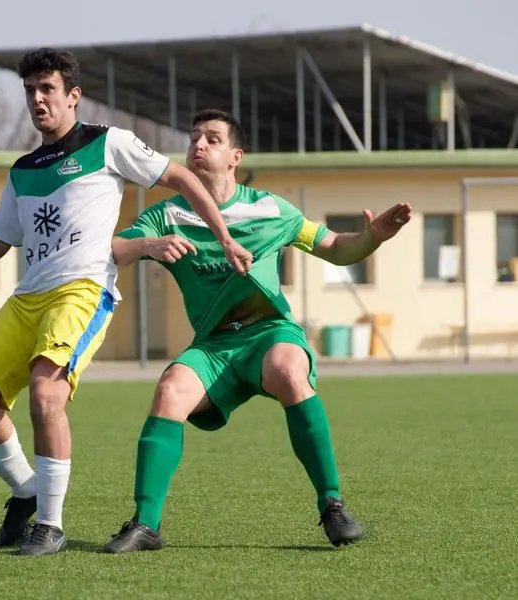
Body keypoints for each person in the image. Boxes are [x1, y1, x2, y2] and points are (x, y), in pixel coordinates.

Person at [0, 48, 253, 556]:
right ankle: (27, 491)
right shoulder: (23, 169)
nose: (37, 99)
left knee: (45, 394)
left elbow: (181, 178)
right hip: (28, 296)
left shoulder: (107, 143)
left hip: (82, 291)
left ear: (73, 95)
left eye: (47, 88)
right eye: (30, 90)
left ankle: (49, 526)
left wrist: (224, 236)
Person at [102, 108, 412, 553]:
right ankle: (145, 525)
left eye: (212, 138)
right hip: (213, 347)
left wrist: (373, 238)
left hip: (269, 334)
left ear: (235, 156)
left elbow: (337, 249)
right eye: (193, 138)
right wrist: (147, 243)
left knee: (288, 369)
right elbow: (112, 248)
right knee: (170, 389)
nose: (198, 145)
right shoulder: (167, 214)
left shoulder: (270, 208)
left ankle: (332, 506)